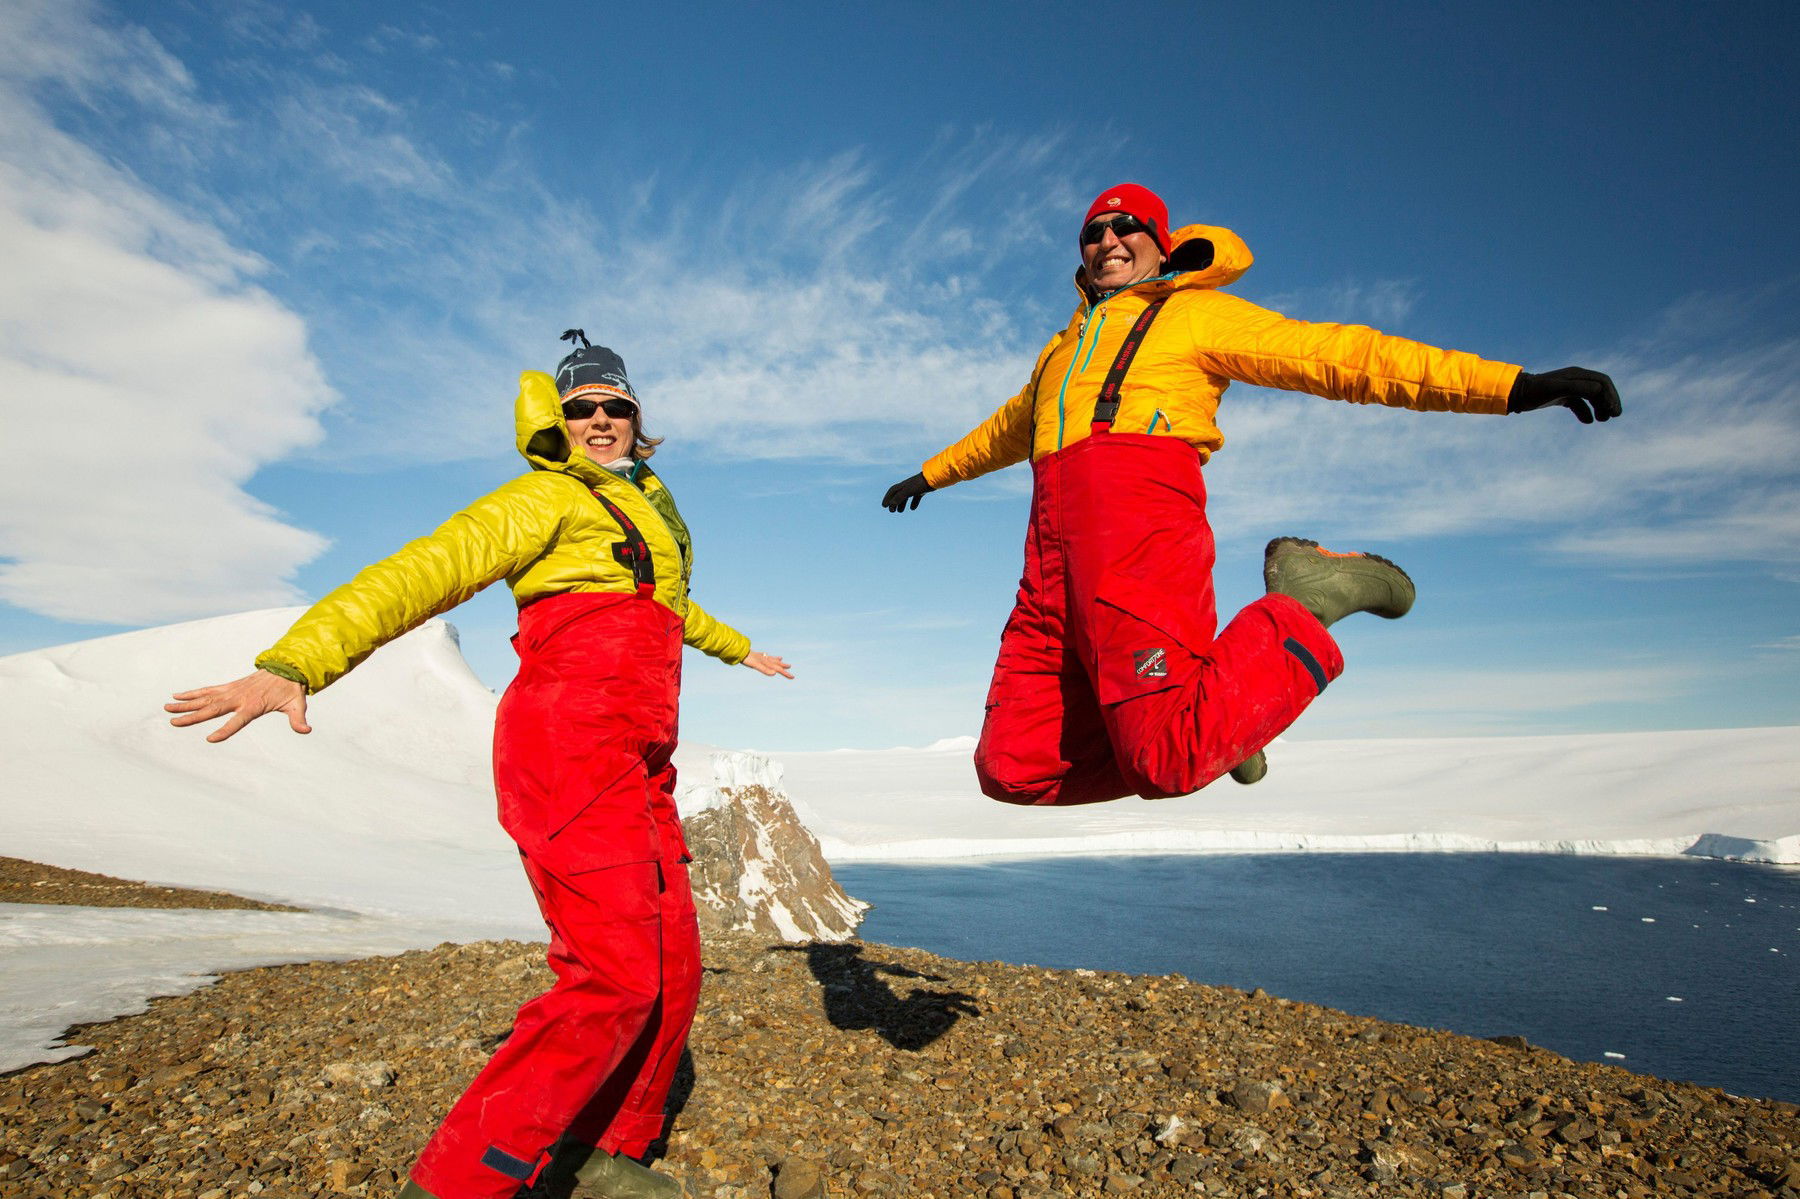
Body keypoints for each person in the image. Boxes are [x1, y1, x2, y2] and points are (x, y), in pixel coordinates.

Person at [169, 330, 791, 1199]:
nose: (601, 419)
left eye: (617, 406)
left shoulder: (644, 508)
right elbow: (423, 570)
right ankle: (461, 1182)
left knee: (672, 962)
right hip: (568, 755)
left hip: (641, 759)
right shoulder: (544, 500)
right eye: (583, 408)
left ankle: (601, 1148)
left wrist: (741, 650)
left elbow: (666, 606)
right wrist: (294, 663)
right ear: (558, 421)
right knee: (613, 976)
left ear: (638, 418)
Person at [882, 183, 1619, 805]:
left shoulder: (1193, 315)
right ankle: (1225, 706)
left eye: (1126, 226)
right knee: (1010, 765)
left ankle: (1301, 604)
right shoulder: (1060, 348)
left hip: (1138, 535)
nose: (1107, 239)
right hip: (1050, 569)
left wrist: (1512, 387)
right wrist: (930, 474)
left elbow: (1339, 357)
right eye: (1092, 231)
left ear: (1161, 242)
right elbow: (1006, 429)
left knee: (1167, 758)